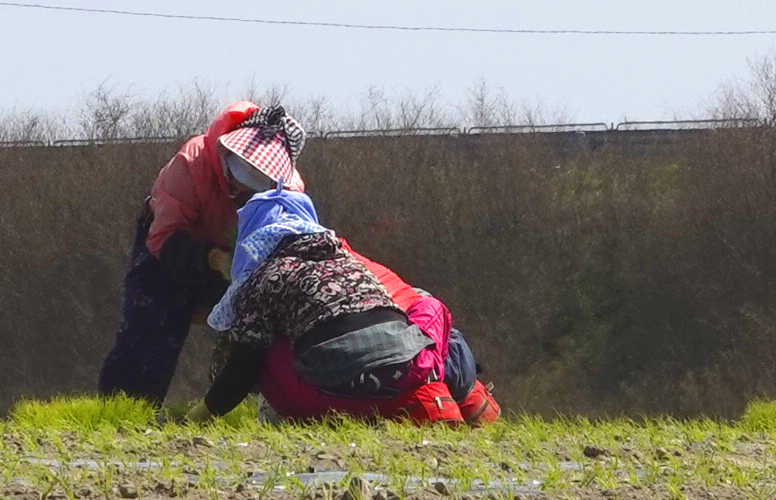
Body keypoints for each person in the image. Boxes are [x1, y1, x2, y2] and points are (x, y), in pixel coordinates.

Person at [201, 189, 500, 425]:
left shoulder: (264, 279)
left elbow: (242, 368)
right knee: (431, 311)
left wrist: (197, 417)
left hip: (335, 394)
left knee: (260, 345)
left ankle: (285, 418)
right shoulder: (351, 261)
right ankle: (471, 400)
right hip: (411, 372)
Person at [97, 102, 306, 404]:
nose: (239, 186)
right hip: (171, 245)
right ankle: (125, 409)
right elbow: (163, 237)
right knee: (152, 321)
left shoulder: (291, 192)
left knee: (265, 326)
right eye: (239, 170)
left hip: (245, 256)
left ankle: (265, 406)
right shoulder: (190, 162)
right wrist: (214, 259)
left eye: (255, 179)